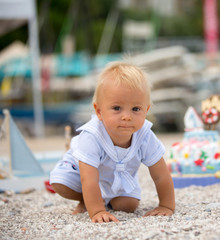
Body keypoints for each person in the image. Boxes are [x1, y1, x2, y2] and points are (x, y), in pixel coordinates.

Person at [50, 61, 175, 223]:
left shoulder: (145, 136)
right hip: (82, 172)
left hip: (117, 175)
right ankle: (87, 199)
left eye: (136, 109)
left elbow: (161, 175)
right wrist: (97, 211)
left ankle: (100, 196)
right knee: (61, 183)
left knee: (127, 205)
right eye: (117, 108)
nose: (126, 116)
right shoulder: (92, 136)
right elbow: (88, 179)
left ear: (146, 110)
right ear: (99, 111)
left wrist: (166, 205)